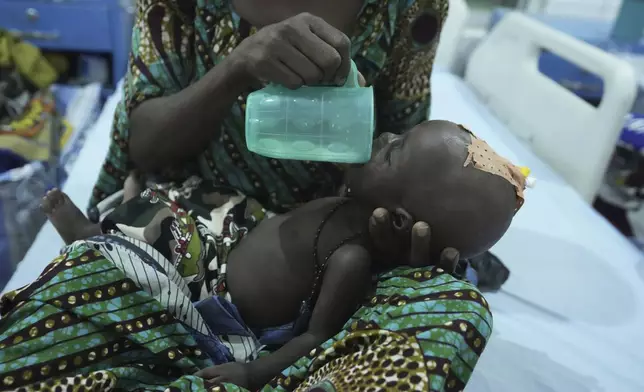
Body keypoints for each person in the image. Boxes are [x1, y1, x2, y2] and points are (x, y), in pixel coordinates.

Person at [15, 121, 525, 390]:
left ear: (395, 219)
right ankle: (112, 222)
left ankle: (91, 237)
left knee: (144, 251)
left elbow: (317, 335)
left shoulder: (351, 260)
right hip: (227, 243)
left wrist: (256, 374)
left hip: (213, 300)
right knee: (168, 200)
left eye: (394, 149)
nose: (385, 135)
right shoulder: (349, 197)